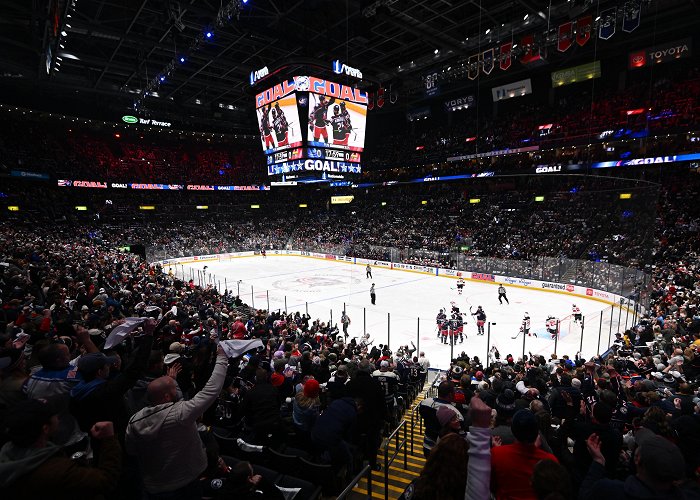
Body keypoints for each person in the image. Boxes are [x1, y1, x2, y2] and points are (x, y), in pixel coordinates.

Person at [125, 345, 229, 499]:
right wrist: (222, 358)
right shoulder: (180, 414)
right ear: (167, 396)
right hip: (186, 483)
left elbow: (132, 451)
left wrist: (171, 381)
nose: (177, 390)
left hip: (155, 486)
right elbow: (211, 390)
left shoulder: (133, 421)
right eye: (175, 388)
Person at [0, 399, 122, 498]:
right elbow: (105, 480)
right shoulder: (59, 472)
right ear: (45, 429)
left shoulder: (7, 451)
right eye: (54, 415)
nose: (57, 416)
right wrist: (109, 439)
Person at [490, 409, 559, 499]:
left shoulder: (497, 454)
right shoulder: (551, 461)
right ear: (536, 433)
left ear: (513, 431)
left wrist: (498, 452)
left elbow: (492, 485)